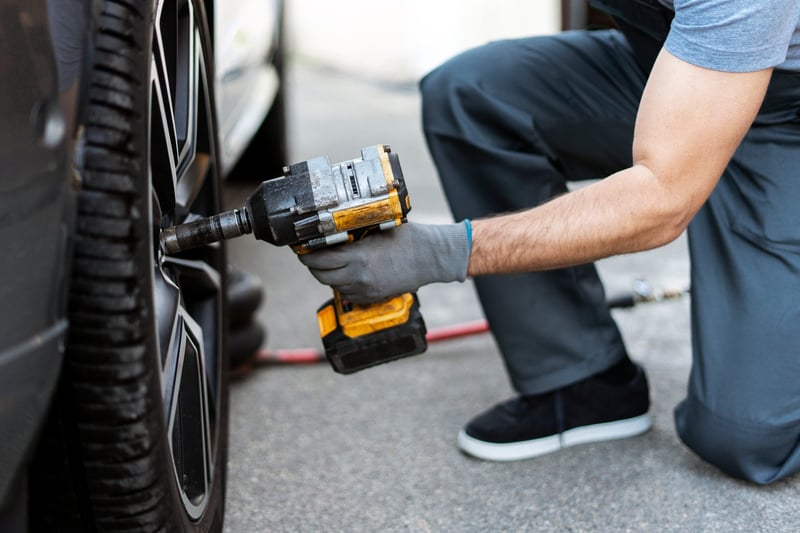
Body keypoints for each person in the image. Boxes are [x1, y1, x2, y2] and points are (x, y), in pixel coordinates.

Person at [298, 0, 800, 485]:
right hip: (680, 74)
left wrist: (441, 252)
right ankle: (580, 378)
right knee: (472, 94)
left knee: (746, 438)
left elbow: (663, 200)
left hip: (786, 114)